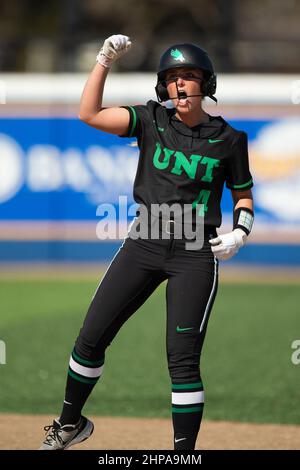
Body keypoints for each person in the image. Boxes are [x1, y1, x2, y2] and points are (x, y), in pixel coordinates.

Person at [39, 34, 254, 450]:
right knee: (91, 336)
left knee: (183, 359)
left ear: (206, 84)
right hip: (144, 242)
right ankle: (69, 424)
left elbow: (243, 195)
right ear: (163, 87)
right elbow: (88, 114)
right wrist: (103, 60)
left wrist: (240, 232)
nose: (181, 85)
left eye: (189, 76)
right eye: (173, 78)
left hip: (195, 252)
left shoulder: (230, 139)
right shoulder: (151, 120)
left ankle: (182, 454)